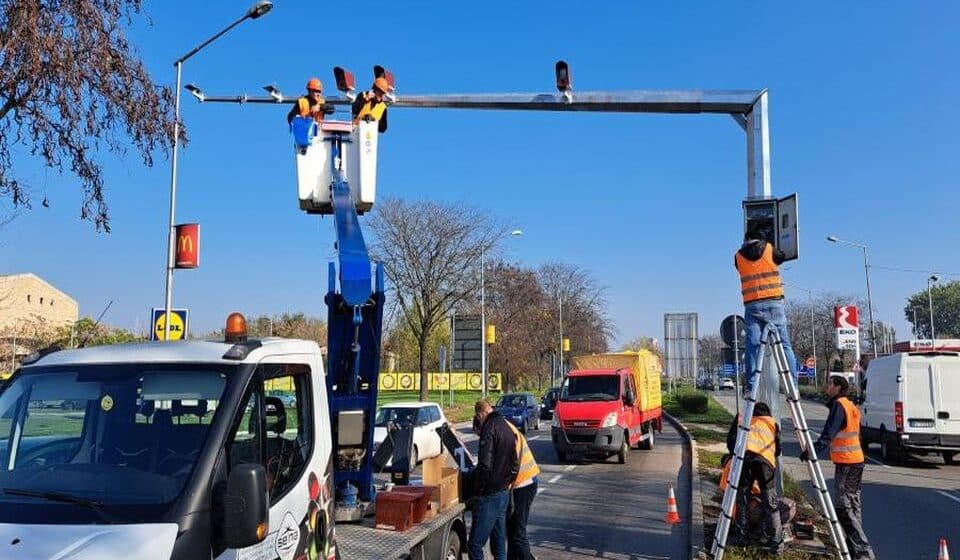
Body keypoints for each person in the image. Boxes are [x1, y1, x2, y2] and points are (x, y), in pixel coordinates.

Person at [800, 375, 876, 559]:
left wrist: (812, 451)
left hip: (847, 462)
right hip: (856, 460)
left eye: (829, 384)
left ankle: (863, 551)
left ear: (837, 387)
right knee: (853, 505)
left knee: (843, 507)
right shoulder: (849, 404)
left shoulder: (839, 405)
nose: (826, 387)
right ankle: (855, 549)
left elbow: (829, 432)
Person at [735, 228, 798, 392]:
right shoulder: (770, 249)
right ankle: (793, 385)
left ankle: (750, 386)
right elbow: (781, 256)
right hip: (774, 303)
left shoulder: (738, 257)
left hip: (752, 306)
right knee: (784, 345)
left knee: (753, 346)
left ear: (746, 239)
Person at [725, 402, 783, 553]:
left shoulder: (742, 418)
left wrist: (735, 454)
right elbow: (778, 450)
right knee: (771, 503)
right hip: (765, 463)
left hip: (744, 460)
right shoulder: (771, 423)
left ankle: (741, 538)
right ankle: (776, 542)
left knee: (742, 500)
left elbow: (730, 442)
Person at [468, 400, 518, 560]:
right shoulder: (505, 425)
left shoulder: (489, 429)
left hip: (490, 495)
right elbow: (515, 463)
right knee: (499, 545)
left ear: (480, 414)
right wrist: (507, 481)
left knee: (475, 544)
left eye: (478, 418)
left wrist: (478, 491)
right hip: (504, 492)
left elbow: (485, 465)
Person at [503, 420, 540, 560]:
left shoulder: (501, 431)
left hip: (525, 483)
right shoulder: (505, 427)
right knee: (513, 529)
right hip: (525, 481)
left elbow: (507, 464)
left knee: (518, 532)